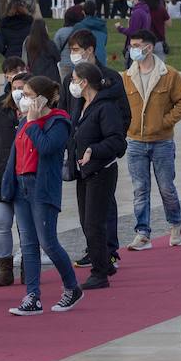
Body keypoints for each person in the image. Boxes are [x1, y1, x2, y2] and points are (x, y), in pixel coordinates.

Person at [1, 76, 82, 315]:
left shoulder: (58, 121)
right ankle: (33, 296)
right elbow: (15, 153)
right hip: (21, 185)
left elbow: (47, 147)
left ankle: (72, 287)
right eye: (22, 94)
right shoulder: (24, 121)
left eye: (28, 95)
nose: (23, 99)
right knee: (28, 244)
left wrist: (34, 122)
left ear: (44, 99)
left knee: (48, 242)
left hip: (42, 186)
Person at [62, 29, 128, 269]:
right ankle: (95, 249)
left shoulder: (109, 77)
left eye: (77, 50)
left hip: (102, 154)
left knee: (104, 206)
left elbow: (122, 114)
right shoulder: (70, 81)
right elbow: (65, 114)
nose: (73, 54)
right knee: (86, 212)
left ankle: (108, 252)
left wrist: (106, 143)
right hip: (79, 156)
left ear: (90, 49)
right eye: (71, 50)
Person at [121, 30, 181, 249]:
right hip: (135, 141)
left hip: (162, 141)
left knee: (166, 187)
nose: (133, 49)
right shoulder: (126, 77)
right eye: (131, 45)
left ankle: (175, 224)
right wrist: (126, 127)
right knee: (139, 188)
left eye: (137, 45)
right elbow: (120, 107)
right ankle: (143, 233)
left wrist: (165, 121)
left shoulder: (168, 74)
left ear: (149, 47)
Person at [0, 71, 29, 288]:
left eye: (23, 87)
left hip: (27, 179)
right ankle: (5, 268)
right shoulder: (3, 112)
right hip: (1, 177)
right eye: (15, 87)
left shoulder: (39, 114)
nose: (18, 91)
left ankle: (29, 266)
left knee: (26, 226)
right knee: (0, 223)